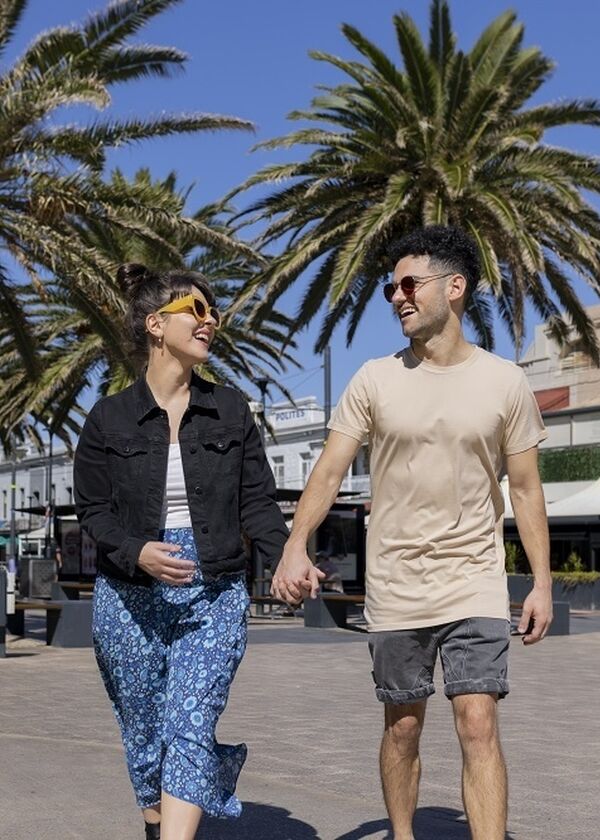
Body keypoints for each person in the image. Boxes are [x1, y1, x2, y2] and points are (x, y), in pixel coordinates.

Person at [272, 226, 553, 840]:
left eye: (409, 284)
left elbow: (527, 490)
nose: (396, 297)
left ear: (455, 288)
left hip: (475, 577)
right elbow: (328, 470)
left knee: (478, 721)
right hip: (397, 583)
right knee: (403, 725)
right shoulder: (374, 379)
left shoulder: (505, 382)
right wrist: (295, 544)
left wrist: (541, 584)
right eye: (389, 288)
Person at [74, 263, 287, 840]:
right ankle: (156, 818)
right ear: (154, 325)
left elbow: (259, 502)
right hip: (130, 590)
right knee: (145, 735)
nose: (210, 320)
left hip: (214, 584)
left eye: (212, 311)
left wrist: (287, 556)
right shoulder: (107, 418)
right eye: (196, 310)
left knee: (190, 724)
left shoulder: (231, 410)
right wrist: (138, 550)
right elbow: (92, 511)